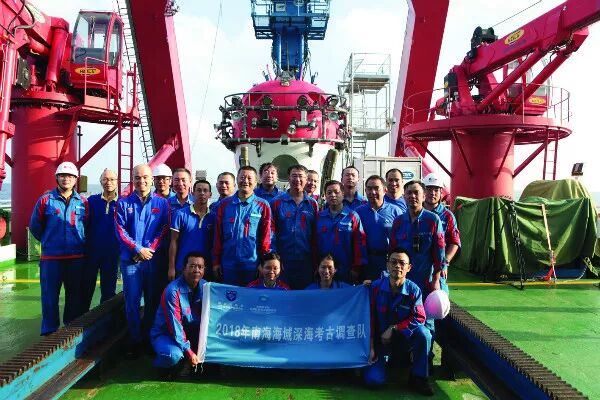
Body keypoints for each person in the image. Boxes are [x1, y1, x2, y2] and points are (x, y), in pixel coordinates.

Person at [115, 164, 170, 355]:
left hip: (152, 260)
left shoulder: (162, 204)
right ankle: (135, 340)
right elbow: (120, 230)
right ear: (133, 180)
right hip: (131, 261)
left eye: (145, 177)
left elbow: (163, 229)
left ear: (151, 179)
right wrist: (137, 249)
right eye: (137, 177)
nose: (142, 181)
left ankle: (149, 338)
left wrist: (150, 249)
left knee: (152, 301)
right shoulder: (123, 203)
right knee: (132, 301)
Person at [363, 249, 434, 396]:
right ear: (387, 265)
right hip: (381, 342)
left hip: (404, 340)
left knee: (424, 334)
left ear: (409, 268)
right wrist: (371, 346)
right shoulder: (374, 288)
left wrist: (394, 328)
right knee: (373, 381)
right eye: (393, 262)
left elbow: (420, 317)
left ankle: (419, 377)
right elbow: (369, 318)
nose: (397, 266)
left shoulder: (414, 290)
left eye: (402, 263)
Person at [29, 161, 89, 335]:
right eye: (62, 176)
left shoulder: (83, 202)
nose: (66, 179)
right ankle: (49, 331)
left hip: (75, 259)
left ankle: (71, 329)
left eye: (70, 176)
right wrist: (49, 242)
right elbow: (35, 227)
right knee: (49, 298)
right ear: (57, 178)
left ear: (76, 179)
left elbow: (86, 226)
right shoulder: (45, 200)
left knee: (74, 297)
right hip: (51, 260)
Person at [213, 166, 272, 286]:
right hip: (228, 265)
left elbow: (266, 238)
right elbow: (218, 236)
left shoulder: (263, 205)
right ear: (237, 180)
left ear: (256, 182)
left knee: (251, 296)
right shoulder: (224, 205)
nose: (245, 181)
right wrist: (216, 262)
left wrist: (263, 263)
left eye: (249, 178)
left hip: (252, 265)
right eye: (242, 177)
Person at [151, 252, 207, 378]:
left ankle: (186, 360)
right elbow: (175, 328)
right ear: (184, 268)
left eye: (200, 267)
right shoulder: (172, 290)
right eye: (192, 266)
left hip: (191, 334)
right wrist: (189, 352)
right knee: (172, 355)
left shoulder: (206, 287)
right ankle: (163, 366)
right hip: (167, 334)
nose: (196, 270)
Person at [389, 179, 445, 296]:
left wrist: (436, 279)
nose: (412, 196)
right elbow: (392, 250)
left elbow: (439, 252)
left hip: (425, 279)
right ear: (404, 197)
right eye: (409, 193)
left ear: (424, 196)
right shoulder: (398, 221)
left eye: (416, 193)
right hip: (402, 279)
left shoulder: (433, 220)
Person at [270, 164, 318, 289]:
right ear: (288, 178)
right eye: (294, 176)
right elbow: (271, 232)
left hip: (306, 260)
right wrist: (274, 257)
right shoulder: (276, 202)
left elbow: (315, 234)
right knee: (283, 293)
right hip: (283, 260)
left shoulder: (312, 204)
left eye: (301, 176)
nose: (297, 179)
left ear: (306, 179)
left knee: (304, 295)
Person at [315, 180, 367, 284]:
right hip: (324, 270)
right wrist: (316, 265)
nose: (333, 195)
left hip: (346, 269)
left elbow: (360, 243)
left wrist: (356, 268)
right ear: (325, 195)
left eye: (336, 192)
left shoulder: (352, 216)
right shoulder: (319, 217)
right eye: (329, 192)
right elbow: (314, 243)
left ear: (343, 194)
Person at [82, 169, 119, 311]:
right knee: (85, 288)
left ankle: (107, 320)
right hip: (91, 253)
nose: (108, 182)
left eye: (112, 179)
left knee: (108, 291)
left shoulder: (122, 203)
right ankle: (82, 318)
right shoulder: (91, 201)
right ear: (100, 181)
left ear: (117, 182)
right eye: (105, 179)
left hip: (112, 254)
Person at [355, 175, 403, 280]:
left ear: (385, 190)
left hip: (388, 262)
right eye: (369, 189)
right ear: (365, 191)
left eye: (376, 188)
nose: (373, 192)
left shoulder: (396, 211)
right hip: (365, 263)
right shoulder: (358, 212)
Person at [169, 180, 214, 281]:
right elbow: (173, 241)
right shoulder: (180, 214)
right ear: (192, 193)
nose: (202, 193)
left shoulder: (213, 216)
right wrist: (171, 267)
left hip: (205, 268)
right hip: (183, 267)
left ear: (210, 194)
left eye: (205, 190)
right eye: (199, 190)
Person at [422, 173, 460, 293]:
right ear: (423, 191)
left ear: (441, 192)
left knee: (439, 300)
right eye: (429, 189)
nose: (432, 193)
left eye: (436, 190)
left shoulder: (447, 216)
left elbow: (454, 242)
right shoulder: (415, 212)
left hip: (438, 267)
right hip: (417, 266)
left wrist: (445, 262)